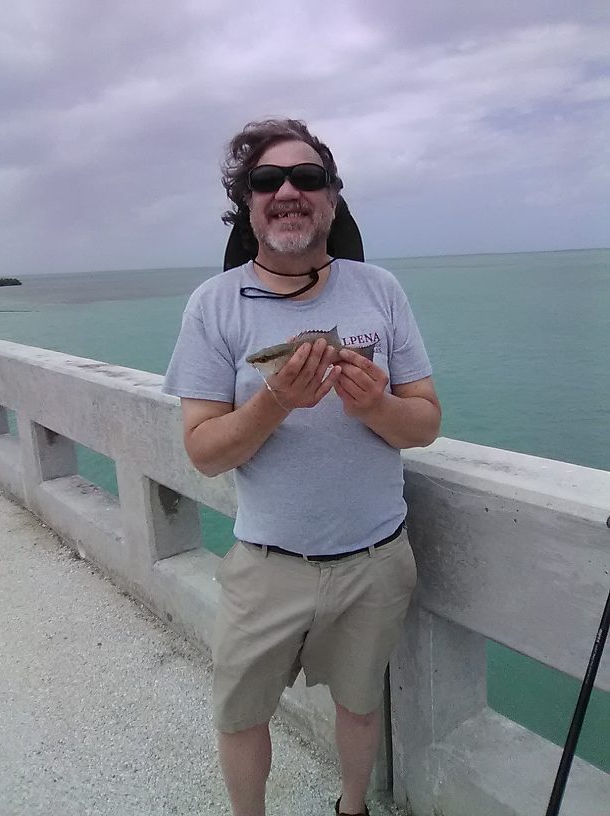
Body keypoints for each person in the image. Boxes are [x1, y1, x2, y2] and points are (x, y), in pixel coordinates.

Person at [163, 118, 441, 816]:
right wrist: (274, 402)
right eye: (267, 180)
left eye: (307, 177)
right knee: (239, 714)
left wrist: (376, 405)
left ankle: (354, 808)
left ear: (332, 198)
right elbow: (202, 450)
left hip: (375, 558)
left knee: (359, 704)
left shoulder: (380, 290)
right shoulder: (213, 304)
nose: (288, 191)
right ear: (248, 204)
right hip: (267, 562)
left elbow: (427, 422)